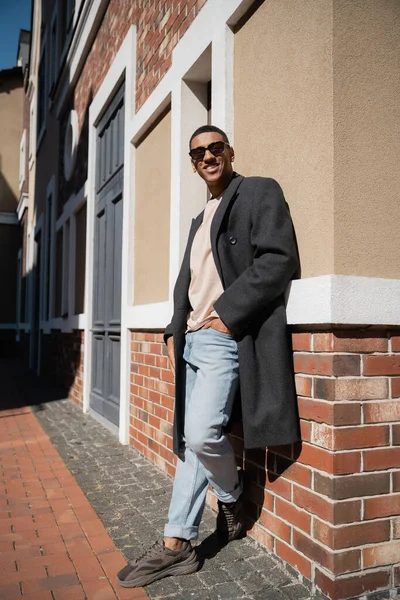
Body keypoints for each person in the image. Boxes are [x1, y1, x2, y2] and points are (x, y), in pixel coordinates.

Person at [117, 125, 300, 589]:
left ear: (230, 152)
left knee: (200, 434)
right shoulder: (201, 219)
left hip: (223, 337)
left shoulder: (258, 192)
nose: (208, 156)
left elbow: (278, 259)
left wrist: (225, 316)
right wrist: (174, 330)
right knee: (191, 444)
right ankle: (177, 544)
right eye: (198, 152)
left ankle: (233, 498)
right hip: (194, 341)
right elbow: (188, 283)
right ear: (194, 163)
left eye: (215, 148)